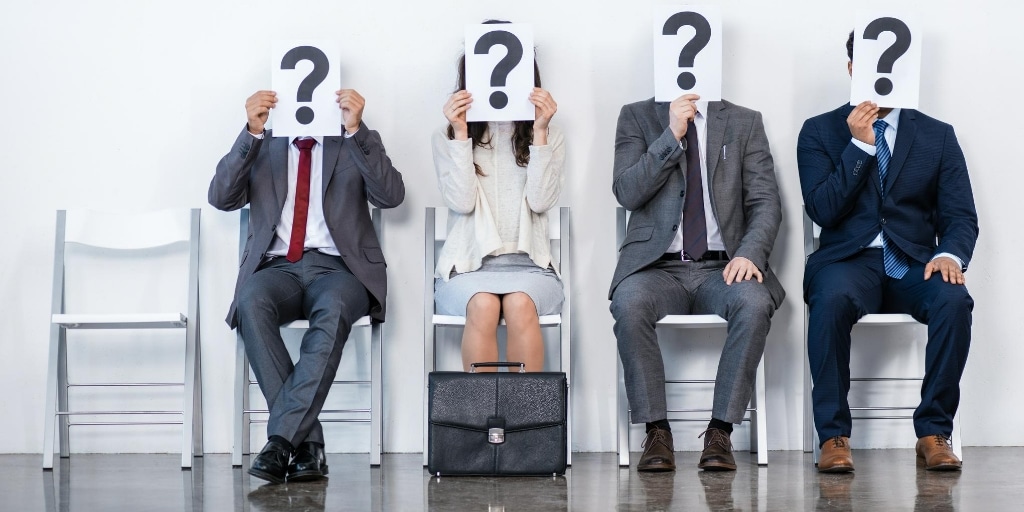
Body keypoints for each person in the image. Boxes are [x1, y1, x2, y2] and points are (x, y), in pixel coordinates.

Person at [797, 32, 978, 473]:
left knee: (954, 300)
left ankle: (934, 432)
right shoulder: (819, 130)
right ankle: (833, 436)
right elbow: (822, 209)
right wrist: (859, 145)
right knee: (831, 300)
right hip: (847, 261)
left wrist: (950, 256)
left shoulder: (937, 135)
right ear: (852, 69)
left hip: (914, 264)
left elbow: (960, 216)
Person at [209, 87, 405, 484]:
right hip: (277, 267)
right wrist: (251, 132)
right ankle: (307, 445)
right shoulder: (265, 142)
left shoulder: (351, 139)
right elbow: (221, 197)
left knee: (332, 312)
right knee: (250, 302)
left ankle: (281, 438)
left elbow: (391, 196)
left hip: (339, 270)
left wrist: (355, 130)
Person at [610, 91, 784, 472]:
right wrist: (672, 133)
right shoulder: (636, 114)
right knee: (628, 302)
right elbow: (627, 192)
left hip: (723, 267)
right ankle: (657, 431)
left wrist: (749, 253)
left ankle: (720, 432)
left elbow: (765, 201)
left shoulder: (744, 120)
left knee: (754, 303)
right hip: (656, 267)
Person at [431, 29, 565, 373]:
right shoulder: (446, 135)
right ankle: (483, 424)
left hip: (530, 267)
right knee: (483, 305)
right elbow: (461, 202)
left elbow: (539, 201)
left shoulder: (549, 133)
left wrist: (540, 132)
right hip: (468, 268)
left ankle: (526, 424)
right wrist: (460, 134)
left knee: (520, 304)